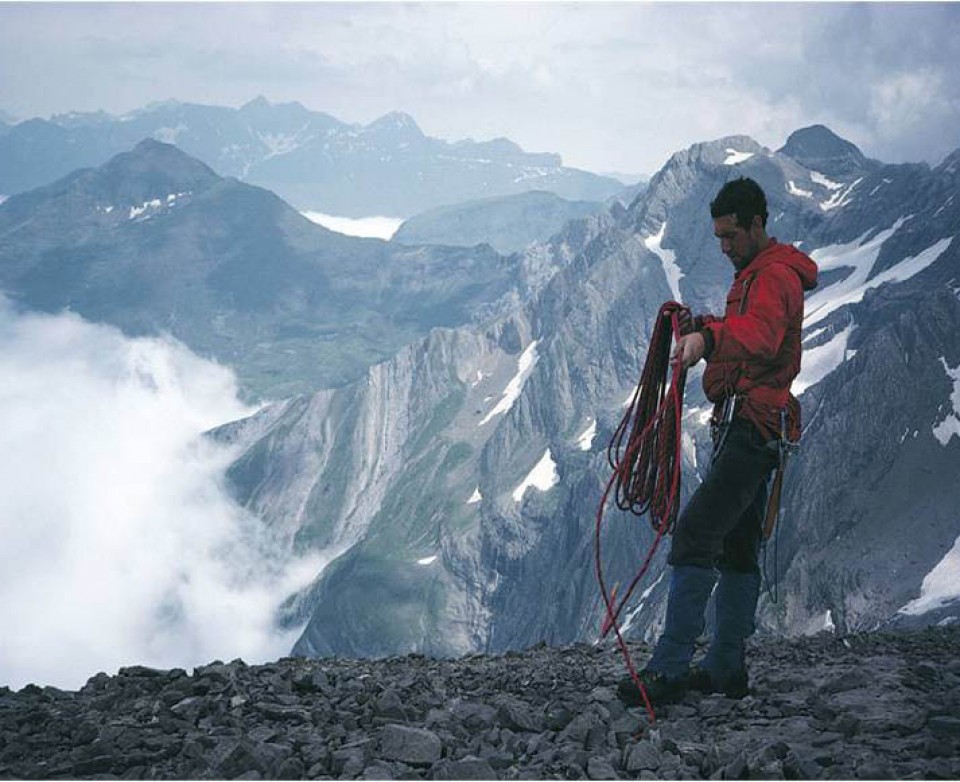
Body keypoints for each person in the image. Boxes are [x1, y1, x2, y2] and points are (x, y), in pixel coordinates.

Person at [618, 176, 818, 705]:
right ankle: (726, 667)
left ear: (757, 224)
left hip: (751, 427)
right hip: (754, 425)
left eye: (731, 236)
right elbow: (748, 329)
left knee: (696, 534)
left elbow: (762, 337)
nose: (724, 247)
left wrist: (708, 338)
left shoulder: (774, 277)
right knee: (736, 544)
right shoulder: (758, 273)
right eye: (718, 239)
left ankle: (669, 668)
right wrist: (704, 326)